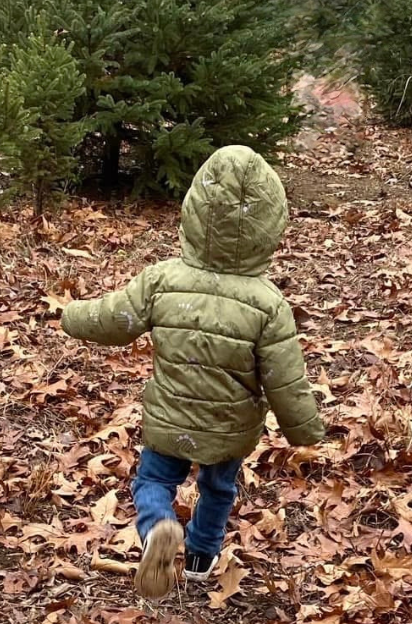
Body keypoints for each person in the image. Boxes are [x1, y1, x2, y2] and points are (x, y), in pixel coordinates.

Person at [61, 145, 325, 599]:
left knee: (153, 480)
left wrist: (70, 315)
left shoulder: (162, 279)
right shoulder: (268, 304)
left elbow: (113, 319)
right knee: (218, 489)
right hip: (229, 428)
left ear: (195, 213)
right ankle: (201, 558)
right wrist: (304, 431)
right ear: (270, 225)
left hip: (170, 419)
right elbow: (286, 377)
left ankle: (159, 528)